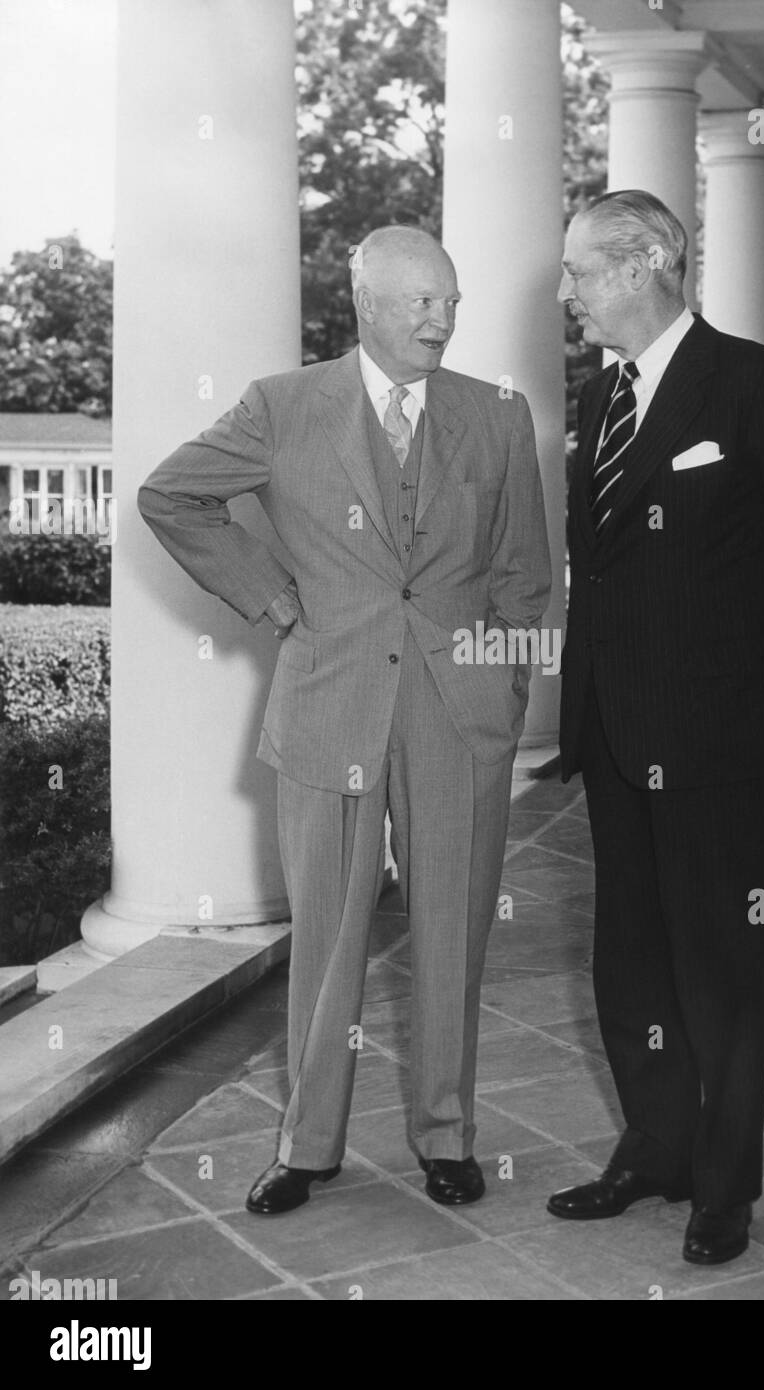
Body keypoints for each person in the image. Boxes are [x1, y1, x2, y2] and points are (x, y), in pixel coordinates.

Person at [139, 226, 551, 1215]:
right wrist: (275, 598)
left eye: (451, 301)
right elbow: (170, 496)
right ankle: (308, 1143)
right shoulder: (281, 407)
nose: (441, 320)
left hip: (458, 713)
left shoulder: (496, 415)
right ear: (364, 301)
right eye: (420, 301)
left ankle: (445, 1133)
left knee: (453, 930)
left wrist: (500, 683)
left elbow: (524, 571)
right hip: (330, 704)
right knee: (325, 931)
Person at [548, 190, 764, 1264]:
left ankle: (723, 1187)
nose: (566, 293)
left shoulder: (757, 386)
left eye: (581, 271)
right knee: (628, 960)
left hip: (722, 738)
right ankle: (656, 1150)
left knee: (721, 965)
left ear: (646, 265)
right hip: (612, 730)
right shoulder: (597, 396)